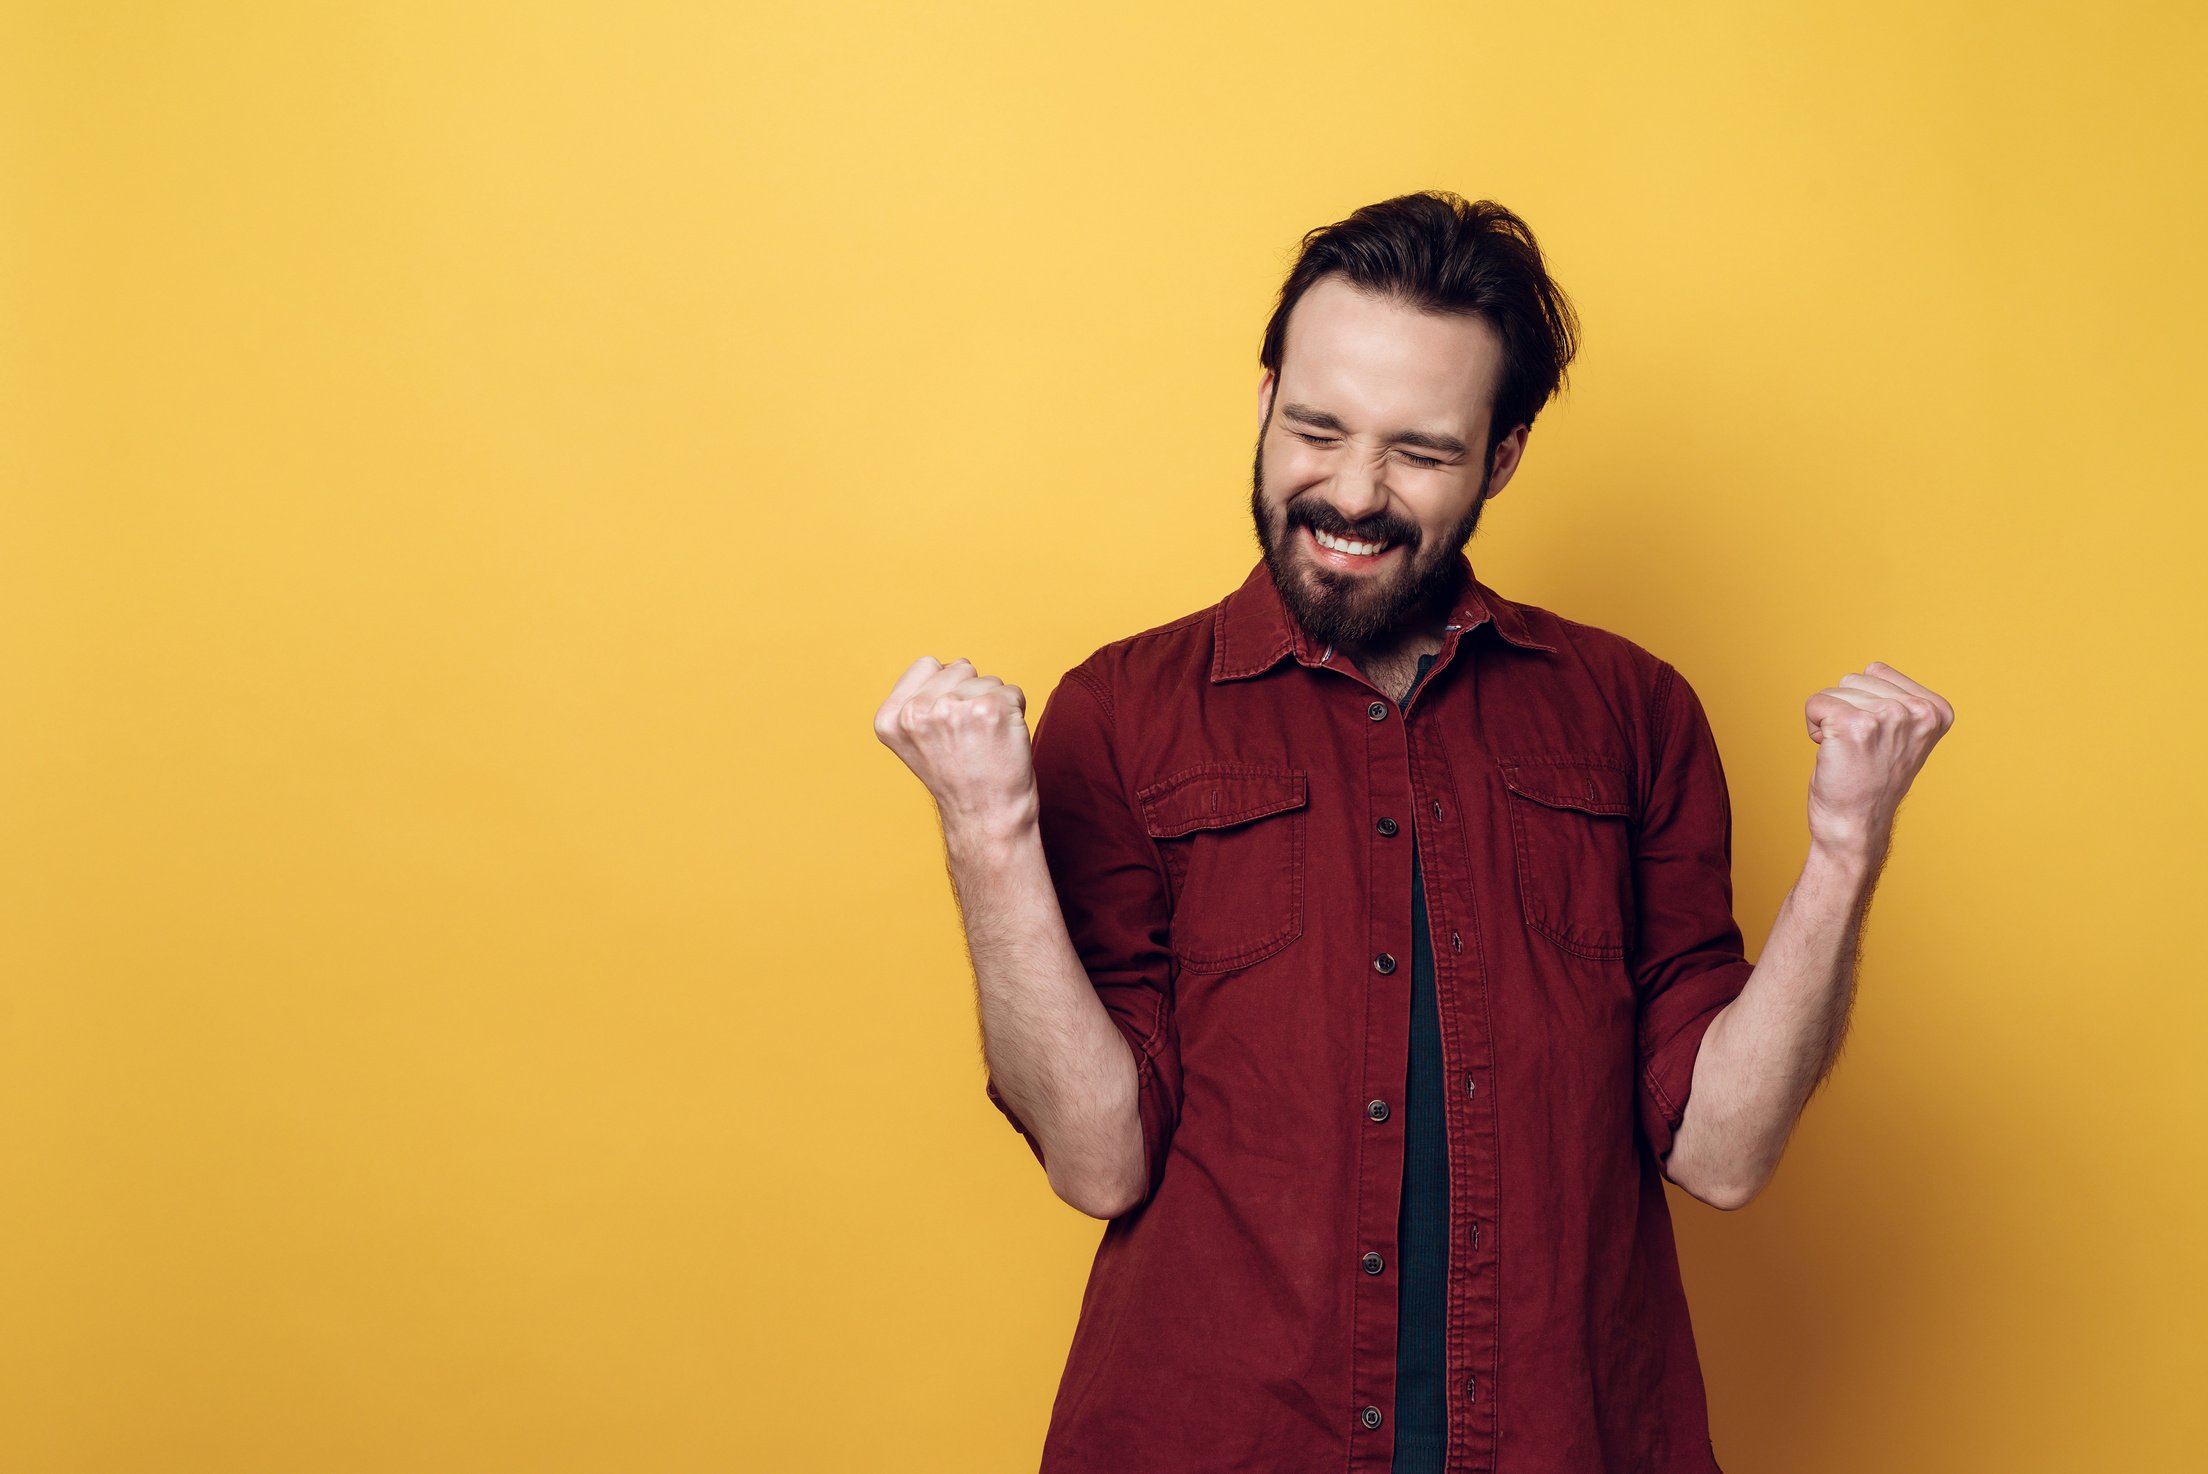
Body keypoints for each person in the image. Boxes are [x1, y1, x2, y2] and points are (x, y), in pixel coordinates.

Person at [874, 191, 1954, 1474]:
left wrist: (1847, 848)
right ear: (1265, 397)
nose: (1352, 492)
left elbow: (1719, 1153)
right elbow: (1101, 1160)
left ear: (1500, 458)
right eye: (1316, 429)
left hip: (1566, 1437)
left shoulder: (1632, 711)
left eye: (1421, 452)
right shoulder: (1120, 716)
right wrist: (986, 829)